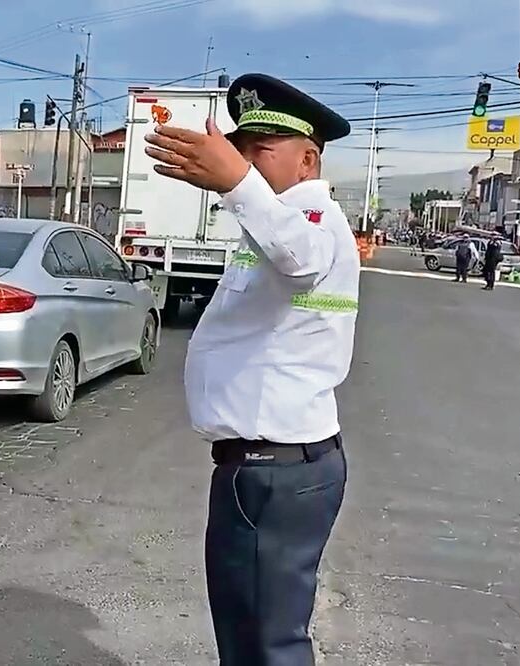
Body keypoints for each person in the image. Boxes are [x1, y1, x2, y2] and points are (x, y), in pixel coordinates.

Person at [145, 73, 357, 666]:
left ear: (308, 159)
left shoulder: (313, 219)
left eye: (259, 150)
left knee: (269, 645)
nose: (244, 162)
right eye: (239, 150)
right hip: (260, 469)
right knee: (246, 639)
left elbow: (301, 259)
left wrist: (238, 183)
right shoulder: (274, 223)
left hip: (277, 473)